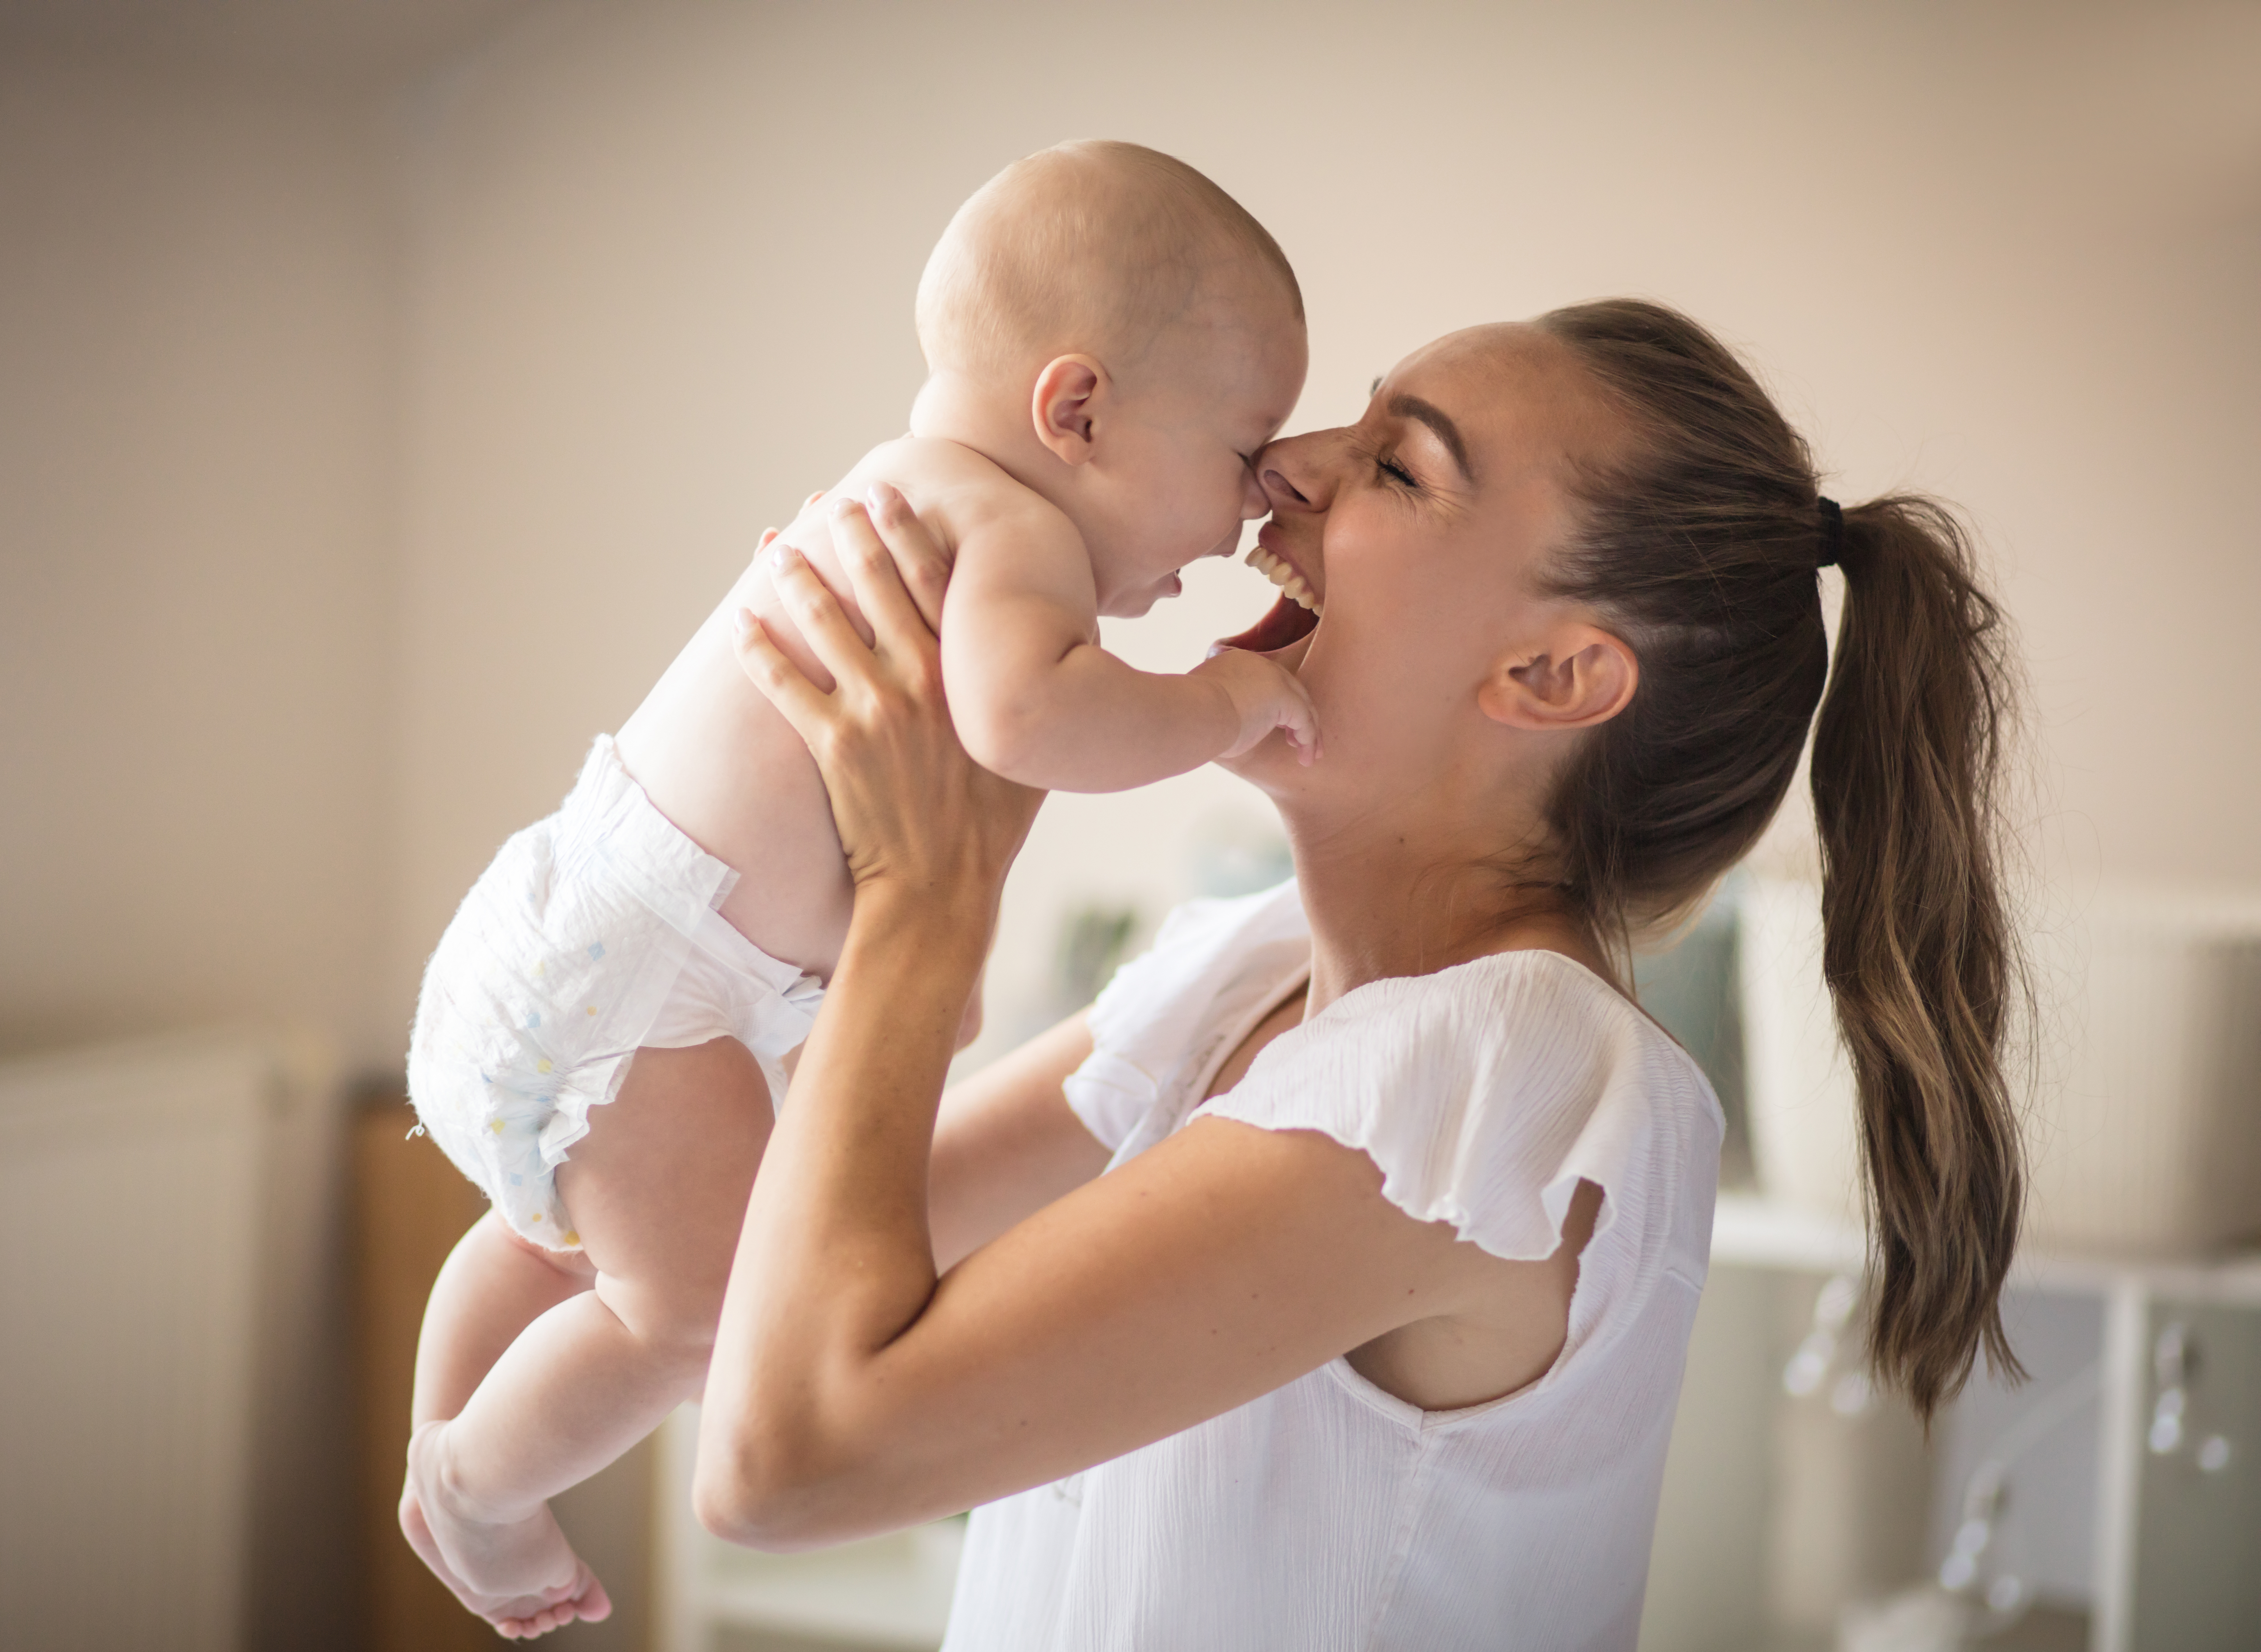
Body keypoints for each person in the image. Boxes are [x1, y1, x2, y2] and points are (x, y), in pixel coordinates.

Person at [700, 299, 2026, 1651]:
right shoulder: (1253, 966)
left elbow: (787, 1459)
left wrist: (923, 899)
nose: (1287, 464)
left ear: (1553, 674)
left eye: (1399, 465)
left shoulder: (1504, 1078)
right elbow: (714, 1284)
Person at [397, 141, 1314, 1637]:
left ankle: (441, 1443)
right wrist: (1227, 701)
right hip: (652, 988)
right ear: (1078, 410)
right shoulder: (1011, 527)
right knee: (704, 1315)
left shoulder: (910, 493)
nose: (1248, 514)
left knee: (547, 1242)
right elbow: (1026, 720)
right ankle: (473, 1490)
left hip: (586, 938)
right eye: (1241, 450)